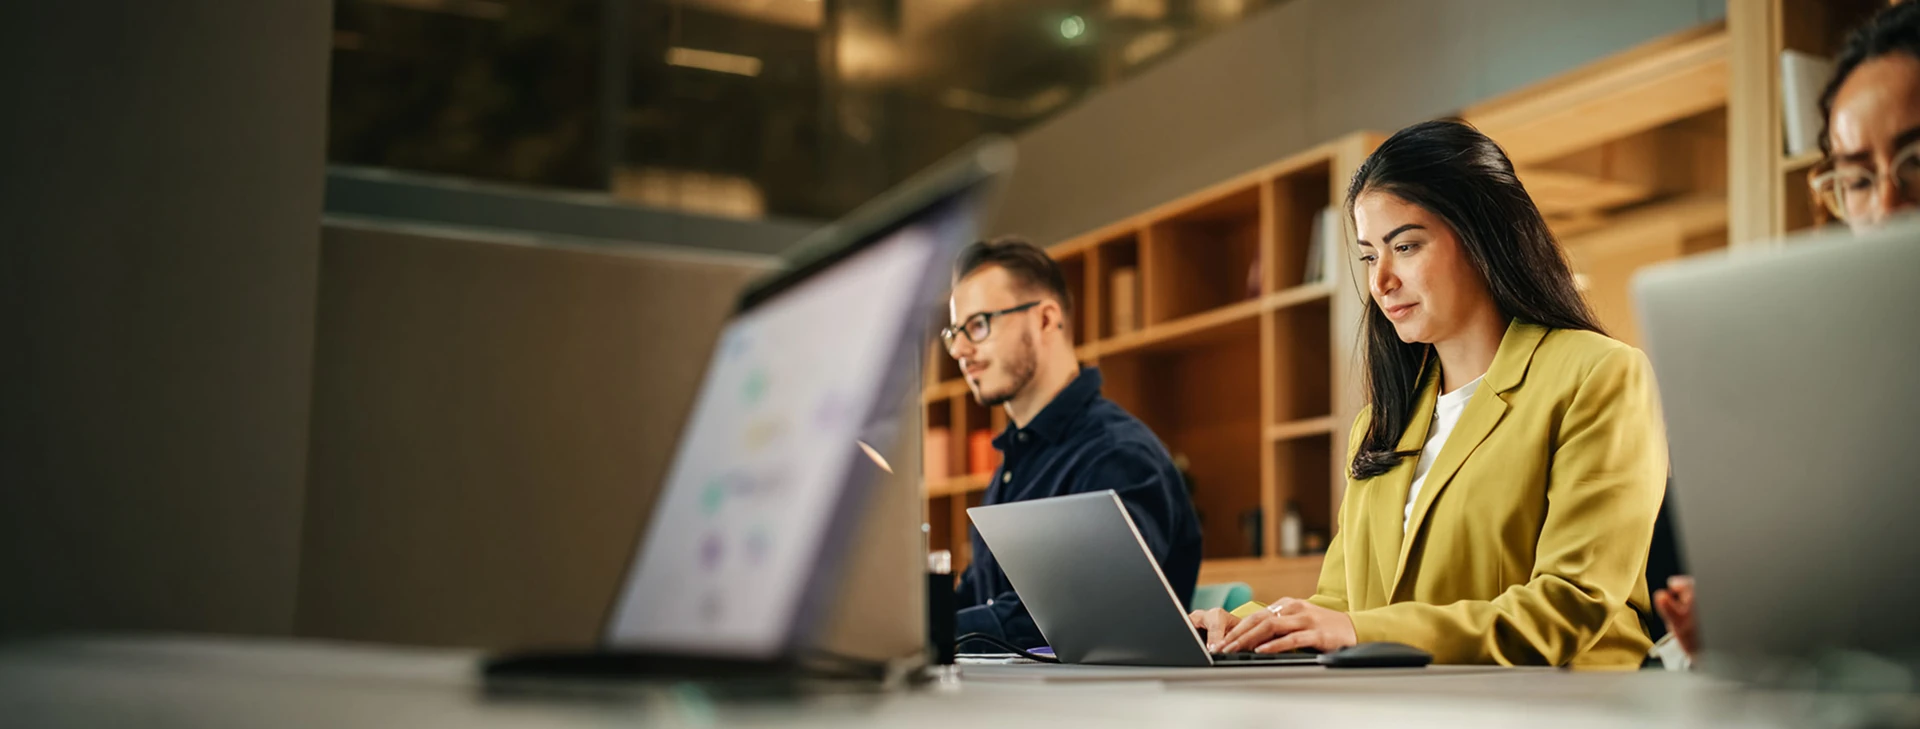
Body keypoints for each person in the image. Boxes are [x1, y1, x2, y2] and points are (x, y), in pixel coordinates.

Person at [1186, 120, 1668, 667]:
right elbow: (1343, 605)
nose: (1381, 280)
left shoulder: (1599, 376)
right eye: (1370, 256)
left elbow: (1569, 606)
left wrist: (1351, 629)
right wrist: (1245, 625)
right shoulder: (1382, 423)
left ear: (1484, 237)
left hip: (1562, 707)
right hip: (1412, 704)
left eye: (1406, 246)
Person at [1652, 0, 1920, 661]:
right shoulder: (1829, 377)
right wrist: (1738, 632)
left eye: (1916, 160)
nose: (1885, 204)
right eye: (1857, 179)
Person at [944, 237, 1202, 650]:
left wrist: (931, 633)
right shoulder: (1014, 464)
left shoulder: (1118, 454)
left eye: (978, 325)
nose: (959, 349)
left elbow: (1077, 612)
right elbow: (979, 597)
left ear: (1046, 319)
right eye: (955, 332)